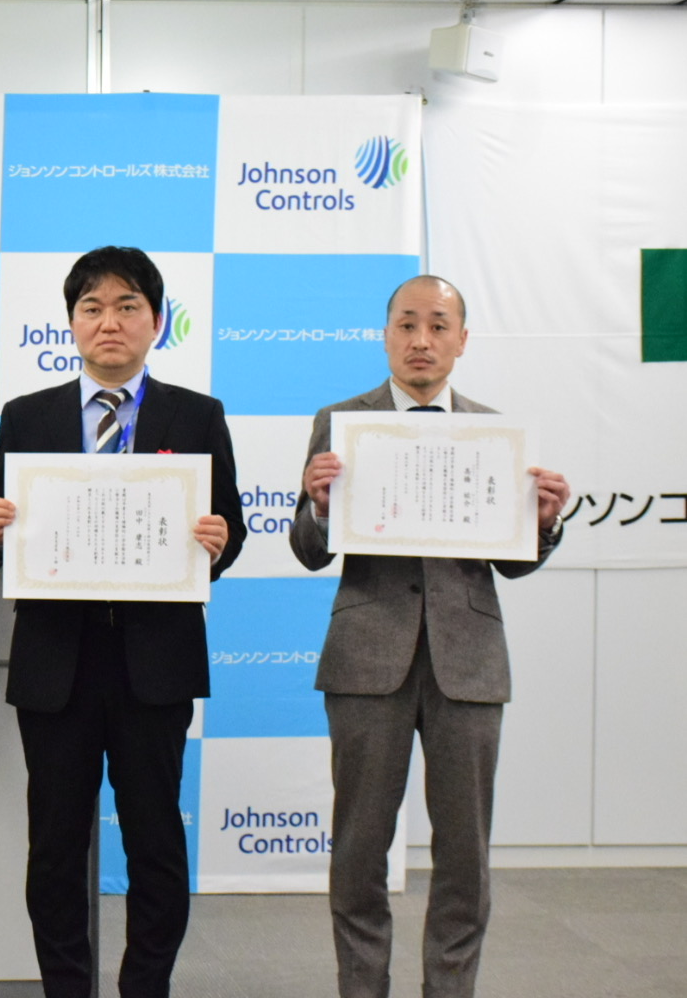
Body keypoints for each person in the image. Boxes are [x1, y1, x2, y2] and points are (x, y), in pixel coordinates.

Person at [288, 275, 570, 998]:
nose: (422, 340)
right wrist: (319, 506)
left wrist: (542, 524)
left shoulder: (494, 432)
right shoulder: (339, 422)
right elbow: (309, 550)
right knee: (359, 849)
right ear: (385, 335)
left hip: (468, 664)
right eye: (407, 324)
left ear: (462, 340)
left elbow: (513, 563)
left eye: (439, 326)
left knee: (465, 856)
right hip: (366, 659)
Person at [0, 246, 244, 998]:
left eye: (128, 307)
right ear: (70, 323)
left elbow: (229, 532)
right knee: (55, 848)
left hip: (154, 665)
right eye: (92, 308)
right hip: (56, 666)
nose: (109, 323)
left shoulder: (197, 415)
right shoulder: (26, 416)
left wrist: (218, 539)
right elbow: (4, 545)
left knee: (155, 844)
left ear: (156, 321)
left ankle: (145, 987)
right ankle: (66, 987)